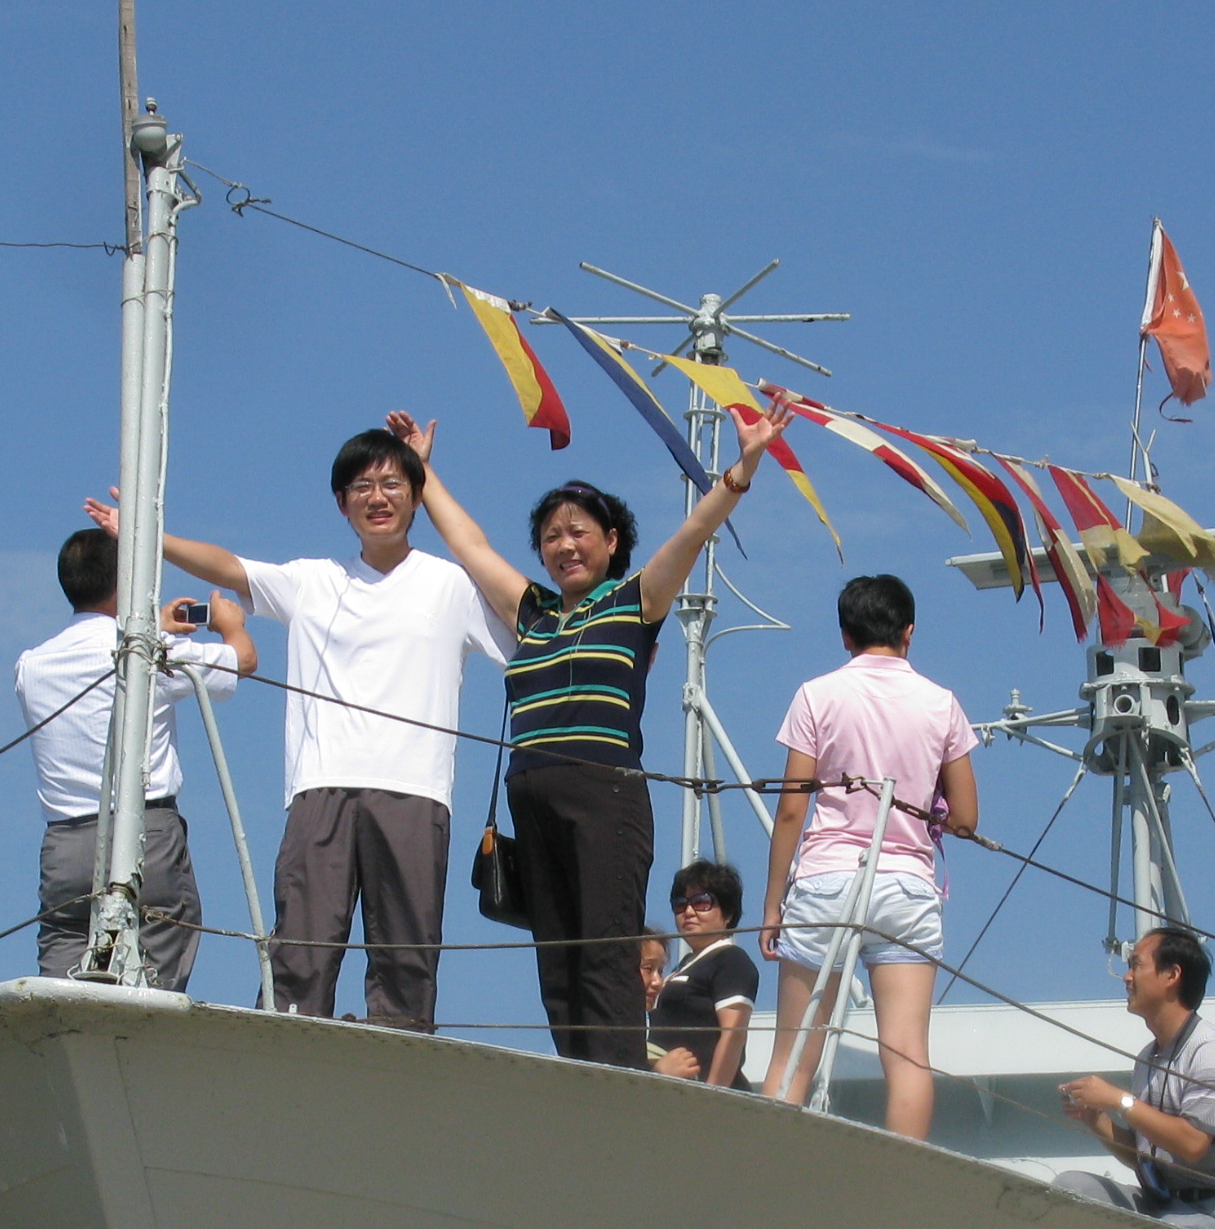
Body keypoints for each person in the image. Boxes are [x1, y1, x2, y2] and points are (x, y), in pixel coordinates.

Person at [387, 405, 781, 1064]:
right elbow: (470, 546)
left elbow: (693, 531)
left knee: (604, 949)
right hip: (531, 800)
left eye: (578, 532)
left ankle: (620, 1082)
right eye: (550, 536)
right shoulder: (532, 612)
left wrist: (745, 465)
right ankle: (578, 1079)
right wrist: (423, 471)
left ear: (611, 542)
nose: (564, 545)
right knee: (556, 960)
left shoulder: (635, 600)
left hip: (606, 796)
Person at [86, 428, 512, 1031]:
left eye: (393, 483)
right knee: (300, 955)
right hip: (321, 788)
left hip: (415, 793)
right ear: (342, 504)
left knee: (406, 957)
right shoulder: (312, 579)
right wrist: (147, 536)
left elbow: (527, 636)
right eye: (361, 486)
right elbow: (228, 567)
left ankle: (400, 1065)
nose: (377, 497)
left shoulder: (451, 585)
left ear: (417, 496)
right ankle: (287, 1059)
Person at [757, 576, 979, 1138]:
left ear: (845, 635)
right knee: (906, 1055)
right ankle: (902, 1191)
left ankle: (766, 1176)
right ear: (909, 632)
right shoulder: (942, 703)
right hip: (906, 885)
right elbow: (966, 818)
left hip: (827, 878)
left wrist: (772, 903)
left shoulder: (816, 694)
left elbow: (791, 810)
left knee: (794, 1053)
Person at [18, 528, 251, 993]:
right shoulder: (150, 654)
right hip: (147, 833)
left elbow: (107, 657)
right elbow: (243, 661)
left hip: (64, 845)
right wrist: (231, 625)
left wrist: (152, 627)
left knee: (63, 977)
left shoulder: (32, 664)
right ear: (129, 579)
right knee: (158, 961)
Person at [1053, 927, 1215, 1229]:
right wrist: (1096, 1119)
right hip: (1162, 1205)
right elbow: (1144, 1158)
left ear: (1171, 975)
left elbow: (1193, 1144)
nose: (1126, 977)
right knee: (1070, 1187)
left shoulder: (1210, 1047)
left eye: (1136, 965)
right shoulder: (1147, 1059)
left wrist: (1119, 1100)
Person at [650, 860, 758, 1088]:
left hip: (703, 1096)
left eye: (701, 902)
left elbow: (734, 1034)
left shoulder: (730, 960)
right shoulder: (684, 966)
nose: (688, 912)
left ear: (727, 913)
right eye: (680, 905)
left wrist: (713, 1095)